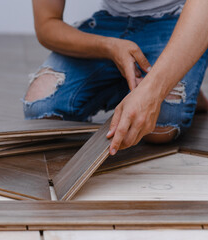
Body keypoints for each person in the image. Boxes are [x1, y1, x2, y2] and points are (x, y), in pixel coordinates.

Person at [22, 0, 208, 155]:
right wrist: (110, 48)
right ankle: (138, 79)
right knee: (40, 109)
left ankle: (173, 73)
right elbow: (47, 23)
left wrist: (154, 91)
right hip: (110, 24)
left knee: (159, 127)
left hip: (180, 21)